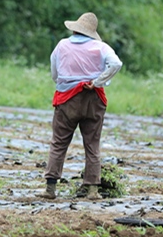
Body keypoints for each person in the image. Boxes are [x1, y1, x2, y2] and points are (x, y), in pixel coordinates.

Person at [37, 13, 122, 200]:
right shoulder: (101, 47)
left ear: (74, 29)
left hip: (67, 99)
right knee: (92, 145)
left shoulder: (62, 45)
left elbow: (54, 71)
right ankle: (92, 189)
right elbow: (116, 64)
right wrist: (98, 81)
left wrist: (62, 82)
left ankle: (50, 189)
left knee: (59, 143)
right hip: (93, 98)